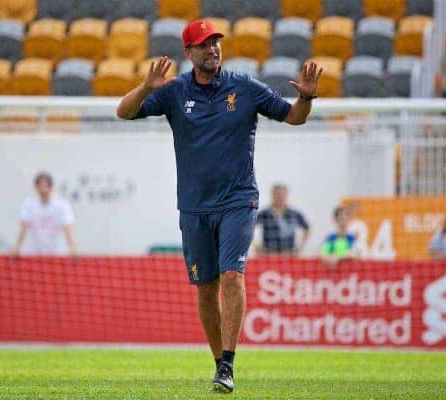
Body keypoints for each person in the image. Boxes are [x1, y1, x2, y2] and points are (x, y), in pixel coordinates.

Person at [116, 19, 322, 393]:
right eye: (204, 44)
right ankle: (218, 365)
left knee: (232, 276)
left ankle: (228, 362)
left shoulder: (245, 87)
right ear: (189, 53)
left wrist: (306, 97)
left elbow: (293, 117)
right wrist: (147, 86)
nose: (213, 49)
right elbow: (124, 112)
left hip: (239, 200)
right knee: (206, 288)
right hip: (193, 208)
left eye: (216, 43)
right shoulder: (174, 91)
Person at [12, 172, 77, 256]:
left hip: (56, 252)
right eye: (40, 186)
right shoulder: (29, 205)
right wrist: (17, 247)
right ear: (35, 187)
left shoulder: (62, 205)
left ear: (51, 187)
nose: (43, 188)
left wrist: (73, 248)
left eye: (46, 185)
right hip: (35, 252)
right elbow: (23, 227)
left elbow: (67, 228)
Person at [253, 183, 310, 256]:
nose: (279, 197)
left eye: (282, 194)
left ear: (287, 195)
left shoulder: (294, 214)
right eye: (277, 194)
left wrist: (301, 246)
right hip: (269, 255)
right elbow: (249, 228)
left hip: (289, 255)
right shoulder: (264, 213)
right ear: (272, 195)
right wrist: (256, 246)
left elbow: (307, 228)